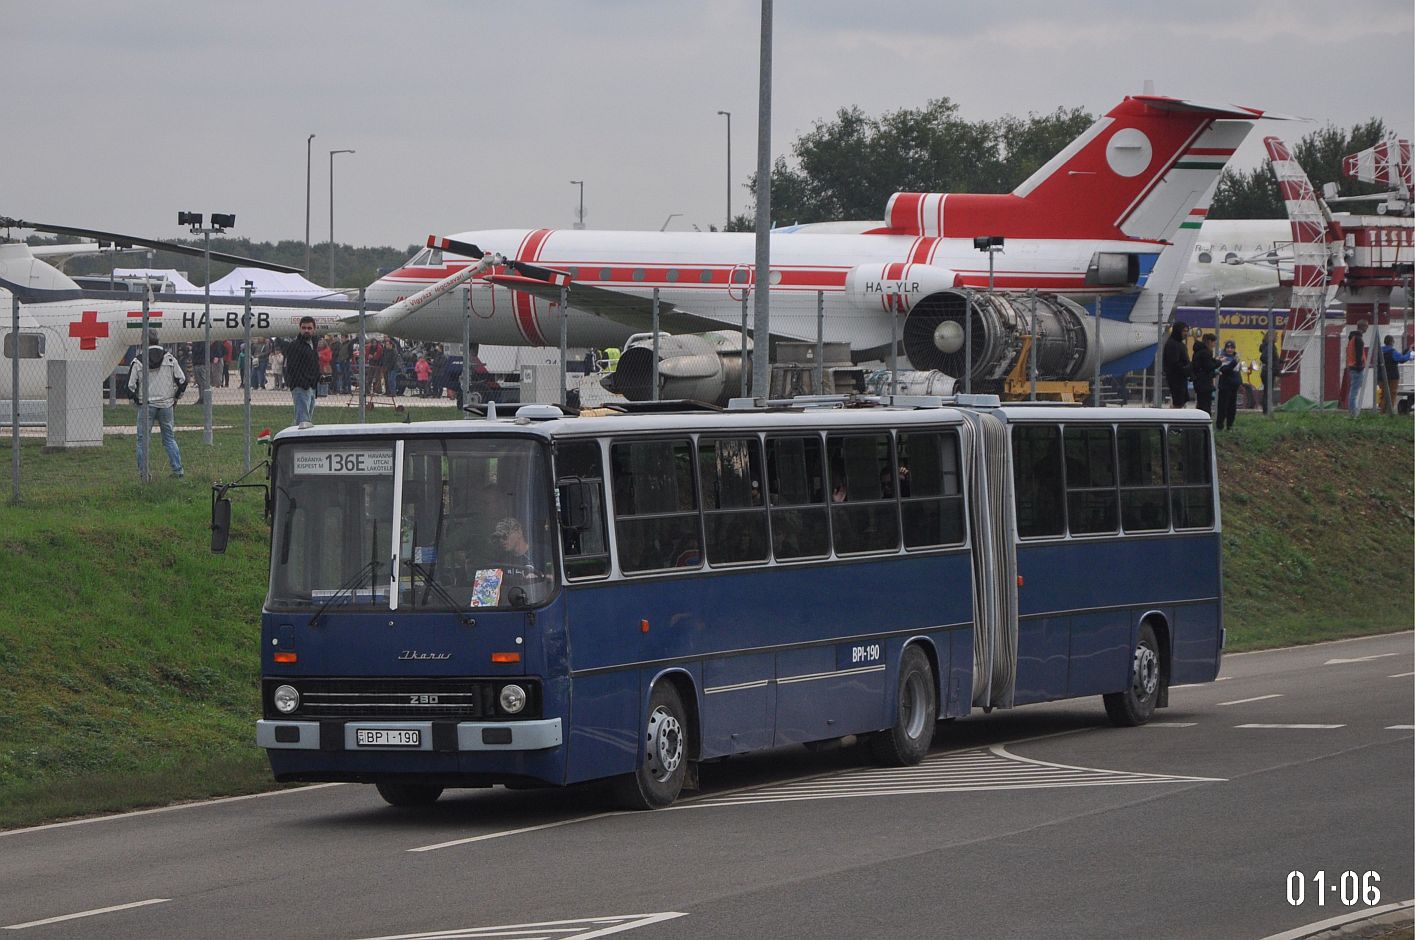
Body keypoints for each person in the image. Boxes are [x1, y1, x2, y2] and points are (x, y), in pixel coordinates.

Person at [127, 342, 186, 479]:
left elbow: (130, 385)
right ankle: (178, 471)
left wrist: (137, 402)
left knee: (142, 440)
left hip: (147, 404)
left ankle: (144, 474)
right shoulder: (170, 359)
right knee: (169, 439)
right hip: (166, 404)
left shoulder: (138, 361)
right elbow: (182, 381)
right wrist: (176, 398)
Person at [285, 316, 321, 425]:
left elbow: (314, 365)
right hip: (301, 387)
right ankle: (298, 440)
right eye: (304, 328)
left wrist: (317, 379)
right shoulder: (294, 346)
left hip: (312, 387)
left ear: (314, 329)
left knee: (303, 419)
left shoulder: (313, 344)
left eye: (309, 328)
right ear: (300, 328)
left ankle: (292, 440)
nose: (306, 330)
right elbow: (291, 368)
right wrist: (303, 383)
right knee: (303, 421)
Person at [1378, 334, 1412, 416]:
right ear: (1392, 342)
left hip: (1380, 377)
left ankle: (1382, 413)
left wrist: (1407, 350)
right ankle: (1388, 413)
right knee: (1391, 395)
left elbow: (1398, 356)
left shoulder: (1380, 351)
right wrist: (1410, 353)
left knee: (1384, 395)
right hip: (1392, 377)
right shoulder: (1392, 352)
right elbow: (1402, 359)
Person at [1163, 321, 1191, 409]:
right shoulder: (1172, 344)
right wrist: (1185, 369)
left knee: (1182, 400)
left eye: (1187, 331)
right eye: (1183, 331)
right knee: (1178, 402)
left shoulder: (1180, 344)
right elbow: (1174, 363)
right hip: (1176, 378)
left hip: (1182, 377)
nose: (1185, 333)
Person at [1215, 339, 1242, 430]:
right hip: (1225, 386)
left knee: (1232, 408)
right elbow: (1225, 370)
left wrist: (1239, 382)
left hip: (1234, 387)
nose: (1230, 350)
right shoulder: (1222, 358)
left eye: (1232, 348)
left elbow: (1238, 372)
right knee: (1223, 407)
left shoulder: (1236, 358)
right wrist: (1234, 362)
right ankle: (1220, 426)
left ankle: (1230, 426)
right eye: (1228, 347)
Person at [1345, 319, 1369, 417]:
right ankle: (1353, 413)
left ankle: (1352, 412)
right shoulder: (1358, 339)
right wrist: (1360, 366)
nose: (1367, 328)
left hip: (1352, 366)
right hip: (1357, 367)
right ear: (1363, 327)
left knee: (1353, 390)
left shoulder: (1352, 338)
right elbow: (1359, 354)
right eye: (1366, 326)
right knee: (1354, 392)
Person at [1191, 333, 1218, 416]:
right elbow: (1208, 366)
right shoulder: (1206, 352)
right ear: (1210, 341)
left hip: (1198, 381)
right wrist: (1218, 362)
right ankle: (1205, 421)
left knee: (1201, 403)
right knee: (1206, 405)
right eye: (1214, 342)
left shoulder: (1198, 351)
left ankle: (1198, 421)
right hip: (1204, 383)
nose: (1214, 345)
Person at [1258, 330, 1277, 415]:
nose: (1277, 338)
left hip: (1266, 370)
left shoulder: (1266, 345)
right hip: (1268, 371)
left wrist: (1281, 361)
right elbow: (1263, 357)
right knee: (1268, 391)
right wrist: (1272, 364)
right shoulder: (1270, 345)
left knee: (1267, 391)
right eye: (1276, 336)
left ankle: (1266, 410)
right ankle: (1266, 411)